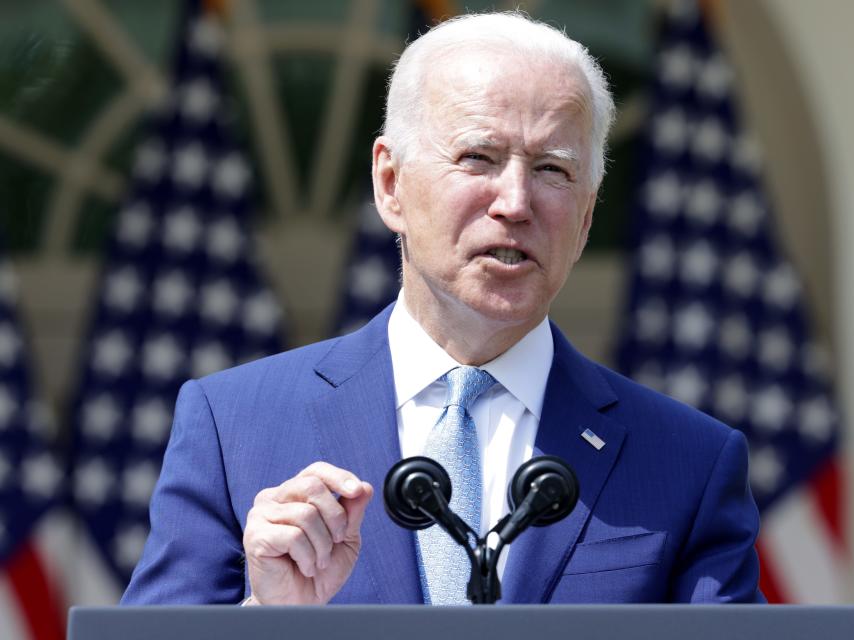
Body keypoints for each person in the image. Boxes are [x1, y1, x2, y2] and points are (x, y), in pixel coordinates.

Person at [122, 12, 763, 606]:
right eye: (478, 158)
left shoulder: (689, 462)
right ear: (391, 184)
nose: (515, 202)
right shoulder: (233, 425)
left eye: (552, 170)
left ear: (588, 216)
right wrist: (265, 616)